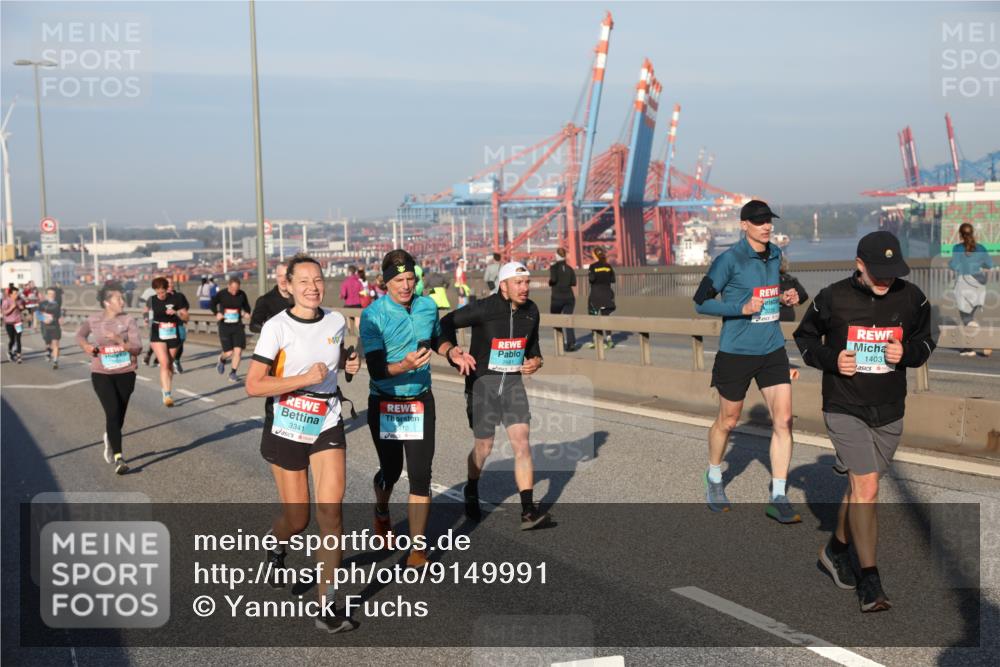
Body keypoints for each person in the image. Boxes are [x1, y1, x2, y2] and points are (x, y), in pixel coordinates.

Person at [794, 231, 935, 613]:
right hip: (844, 406)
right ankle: (870, 582)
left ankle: (835, 550)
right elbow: (805, 338)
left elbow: (927, 341)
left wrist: (907, 351)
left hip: (889, 409)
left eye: (892, 272)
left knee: (860, 488)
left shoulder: (912, 298)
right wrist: (831, 359)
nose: (886, 279)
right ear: (859, 265)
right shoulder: (833, 298)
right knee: (868, 488)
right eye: (879, 273)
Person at [246, 254, 361, 632]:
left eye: (318, 280)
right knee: (299, 518)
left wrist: (347, 364)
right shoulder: (276, 328)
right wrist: (301, 380)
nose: (312, 287)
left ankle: (326, 606)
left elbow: (332, 356)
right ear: (289, 286)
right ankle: (275, 545)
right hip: (286, 423)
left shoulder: (335, 320)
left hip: (326, 421)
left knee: (332, 514)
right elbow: (254, 384)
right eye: (304, 281)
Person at [692, 199, 801, 522]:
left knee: (784, 421)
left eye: (769, 220)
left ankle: (779, 494)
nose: (766, 226)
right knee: (728, 420)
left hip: (772, 349)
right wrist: (739, 309)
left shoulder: (776, 254)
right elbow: (700, 303)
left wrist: (784, 297)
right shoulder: (729, 260)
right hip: (736, 352)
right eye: (758, 221)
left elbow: (770, 291)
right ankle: (714, 477)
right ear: (744, 225)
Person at [359, 249, 468, 568]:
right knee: (391, 472)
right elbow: (377, 369)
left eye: (410, 279)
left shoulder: (427, 306)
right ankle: (382, 510)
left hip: (420, 400)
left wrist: (452, 353)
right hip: (385, 402)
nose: (406, 286)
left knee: (420, 475)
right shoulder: (373, 315)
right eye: (399, 280)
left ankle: (417, 549)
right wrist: (403, 365)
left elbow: (436, 340)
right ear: (385, 283)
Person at [439, 262, 550, 530]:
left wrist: (536, 361)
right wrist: (455, 354)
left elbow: (533, 348)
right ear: (503, 286)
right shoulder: (484, 308)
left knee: (521, 442)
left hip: (512, 385)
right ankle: (472, 488)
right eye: (519, 283)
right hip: (482, 386)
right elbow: (445, 323)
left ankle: (527, 511)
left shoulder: (532, 311)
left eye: (527, 283)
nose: (525, 288)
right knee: (484, 447)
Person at [76, 282, 143, 475]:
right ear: (107, 302)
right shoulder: (94, 320)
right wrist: (86, 346)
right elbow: (80, 335)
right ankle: (119, 458)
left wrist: (119, 340)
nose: (123, 301)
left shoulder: (129, 320)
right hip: (102, 373)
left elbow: (137, 348)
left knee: (119, 416)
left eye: (122, 297)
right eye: (118, 298)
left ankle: (110, 437)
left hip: (126, 373)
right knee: (112, 412)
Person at [949, 223, 994, 357]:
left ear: (960, 235)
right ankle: (969, 348)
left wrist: (949, 263)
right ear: (973, 233)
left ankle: (983, 341)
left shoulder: (957, 248)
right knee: (970, 317)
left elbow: (955, 265)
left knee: (967, 318)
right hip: (979, 284)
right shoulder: (981, 248)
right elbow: (990, 264)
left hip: (964, 284)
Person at [147, 276, 188, 407]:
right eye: (157, 292)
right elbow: (146, 312)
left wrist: (176, 312)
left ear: (167, 289)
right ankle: (167, 395)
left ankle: (166, 387)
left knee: (169, 364)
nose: (160, 295)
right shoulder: (152, 300)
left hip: (172, 332)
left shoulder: (176, 298)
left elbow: (186, 316)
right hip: (158, 333)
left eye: (162, 292)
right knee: (164, 363)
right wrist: (146, 319)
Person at [211, 276, 252, 382]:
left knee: (238, 351)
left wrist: (246, 313)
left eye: (236, 290)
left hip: (237, 325)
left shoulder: (242, 294)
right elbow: (212, 304)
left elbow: (247, 307)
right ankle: (221, 359)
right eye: (232, 289)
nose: (234, 292)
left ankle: (233, 373)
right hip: (224, 326)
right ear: (228, 286)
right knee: (229, 353)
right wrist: (217, 313)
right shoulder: (222, 294)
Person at [250, 261, 293, 334]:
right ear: (276, 277)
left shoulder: (300, 299)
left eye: (286, 276)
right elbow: (254, 325)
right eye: (280, 276)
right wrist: (272, 332)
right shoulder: (265, 300)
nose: (283, 280)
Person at [549, 247, 577, 351]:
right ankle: (571, 343)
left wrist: (550, 282)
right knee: (568, 319)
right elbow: (573, 283)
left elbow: (553, 279)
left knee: (555, 319)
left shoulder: (554, 267)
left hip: (557, 297)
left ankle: (560, 342)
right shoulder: (569, 268)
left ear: (556, 256)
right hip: (569, 297)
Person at [587, 247, 616, 349]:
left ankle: (595, 340)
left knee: (593, 317)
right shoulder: (608, 266)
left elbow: (592, 279)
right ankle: (609, 339)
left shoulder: (593, 266)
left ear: (595, 255)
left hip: (595, 296)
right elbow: (613, 280)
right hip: (607, 295)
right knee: (606, 318)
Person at [38, 288, 63, 369]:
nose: (51, 295)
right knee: (47, 342)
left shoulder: (57, 304)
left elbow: (60, 315)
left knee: (55, 343)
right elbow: (38, 314)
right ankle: (48, 350)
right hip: (45, 326)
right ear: (46, 295)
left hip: (55, 326)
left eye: (53, 294)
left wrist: (60, 319)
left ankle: (55, 361)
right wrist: (44, 319)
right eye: (49, 294)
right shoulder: (42, 304)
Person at [779, 256, 809, 323]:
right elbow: (804, 295)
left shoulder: (768, 279)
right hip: (788, 314)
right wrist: (795, 303)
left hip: (772, 315)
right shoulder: (791, 279)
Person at [2, 286, 25, 363]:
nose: (17, 295)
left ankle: (19, 356)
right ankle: (9, 351)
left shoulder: (19, 300)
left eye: (17, 293)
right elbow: (4, 313)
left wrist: (21, 307)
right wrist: (12, 308)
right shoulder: (6, 301)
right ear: (10, 294)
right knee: (12, 339)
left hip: (18, 322)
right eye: (15, 293)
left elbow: (22, 308)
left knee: (18, 339)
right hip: (9, 323)